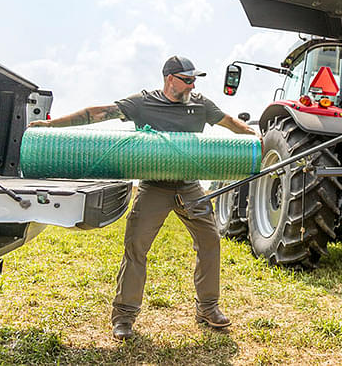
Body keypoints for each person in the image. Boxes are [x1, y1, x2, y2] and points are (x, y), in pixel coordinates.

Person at [28, 55, 258, 340]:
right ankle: (124, 316)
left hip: (189, 187)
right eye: (187, 79)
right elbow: (97, 113)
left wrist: (255, 138)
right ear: (169, 79)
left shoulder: (200, 103)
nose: (192, 84)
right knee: (136, 246)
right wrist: (51, 126)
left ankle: (208, 308)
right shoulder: (143, 102)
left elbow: (230, 123)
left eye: (194, 79)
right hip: (154, 187)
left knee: (210, 241)